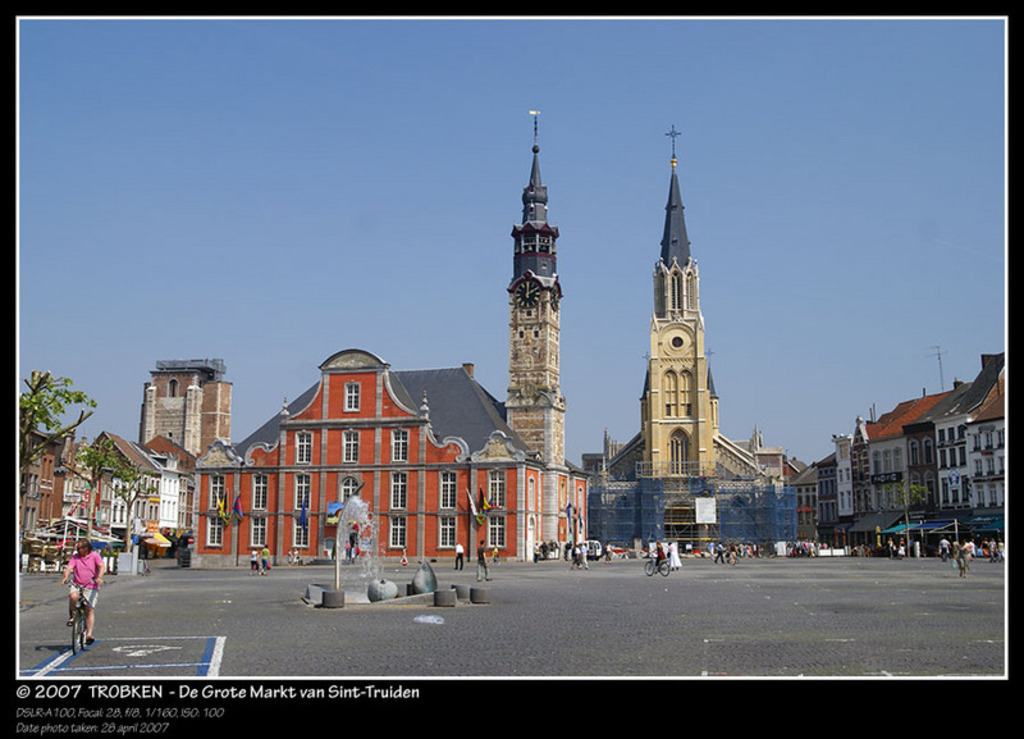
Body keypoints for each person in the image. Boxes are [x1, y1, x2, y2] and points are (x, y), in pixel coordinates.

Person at [61, 539, 104, 646]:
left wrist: (99, 577)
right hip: (77, 583)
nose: (78, 550)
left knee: (89, 609)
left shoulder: (94, 556)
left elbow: (101, 566)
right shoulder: (75, 557)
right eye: (77, 548)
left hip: (91, 585)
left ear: (86, 548)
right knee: (73, 596)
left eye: (80, 548)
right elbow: (69, 568)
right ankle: (72, 616)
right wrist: (65, 577)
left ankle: (89, 635)